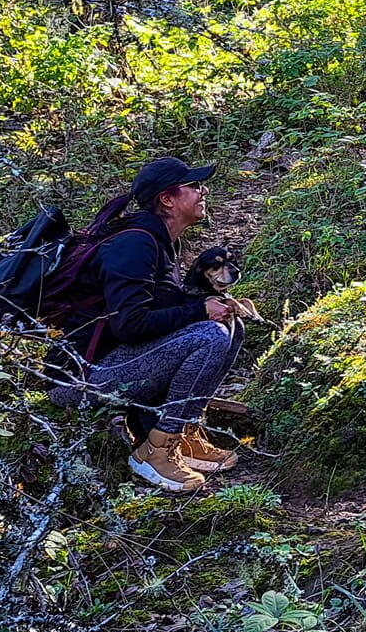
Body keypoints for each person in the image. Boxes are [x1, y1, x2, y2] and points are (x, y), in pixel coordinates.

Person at [52, 156, 249, 494]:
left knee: (231, 326)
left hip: (117, 360)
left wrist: (211, 306)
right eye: (193, 186)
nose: (203, 191)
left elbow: (160, 308)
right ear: (167, 199)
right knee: (211, 334)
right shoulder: (136, 244)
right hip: (80, 378)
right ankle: (155, 451)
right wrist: (199, 312)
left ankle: (184, 433)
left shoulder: (162, 240)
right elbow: (130, 325)